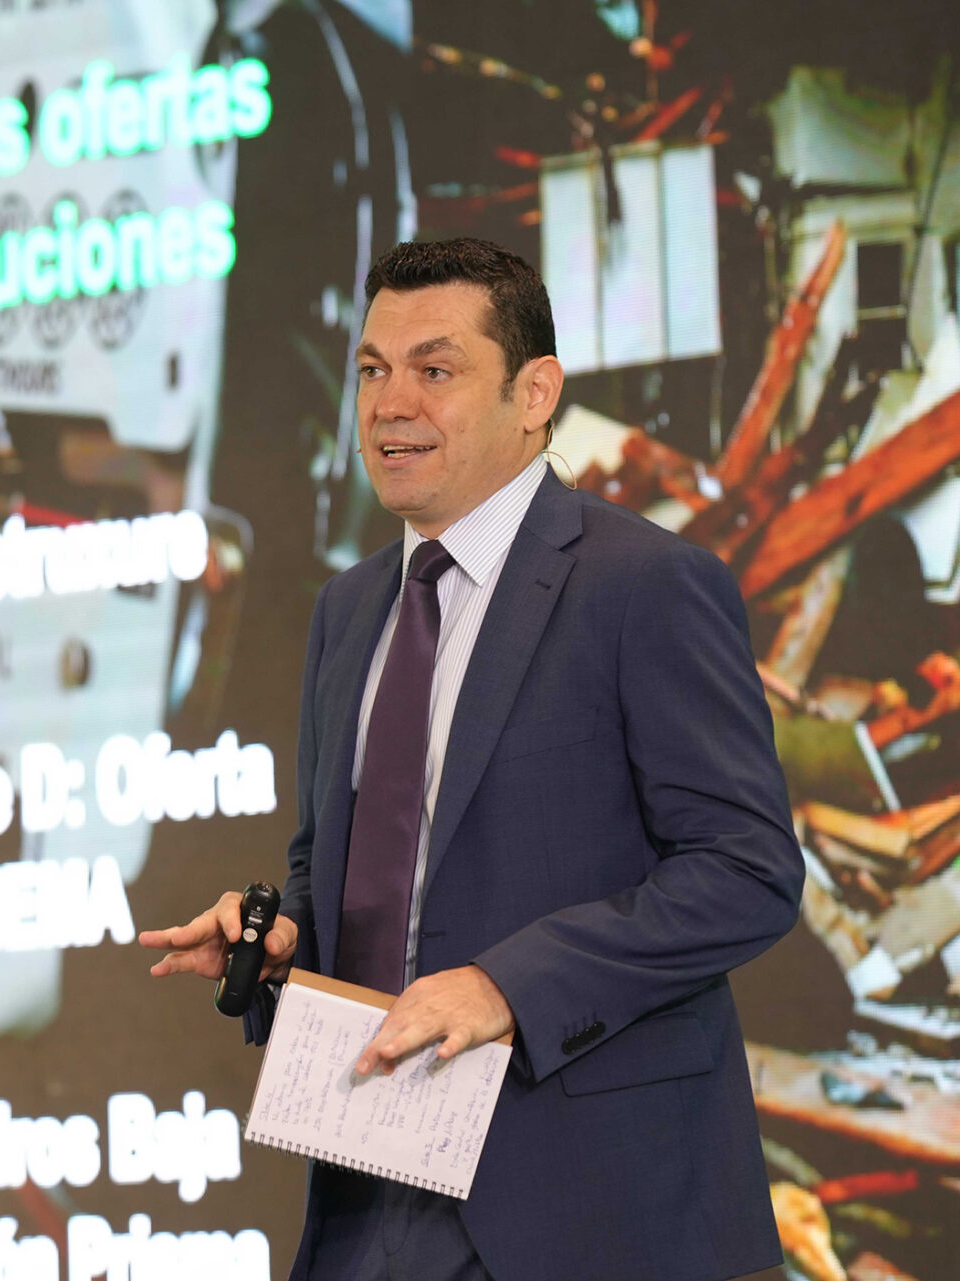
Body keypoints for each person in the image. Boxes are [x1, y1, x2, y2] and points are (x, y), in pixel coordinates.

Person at [141, 237, 804, 1281]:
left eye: (435, 369)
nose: (390, 404)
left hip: (588, 1211)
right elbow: (339, 863)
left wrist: (506, 987)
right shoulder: (346, 609)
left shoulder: (646, 585)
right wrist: (287, 940)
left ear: (534, 394)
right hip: (367, 1199)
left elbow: (747, 871)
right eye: (372, 370)